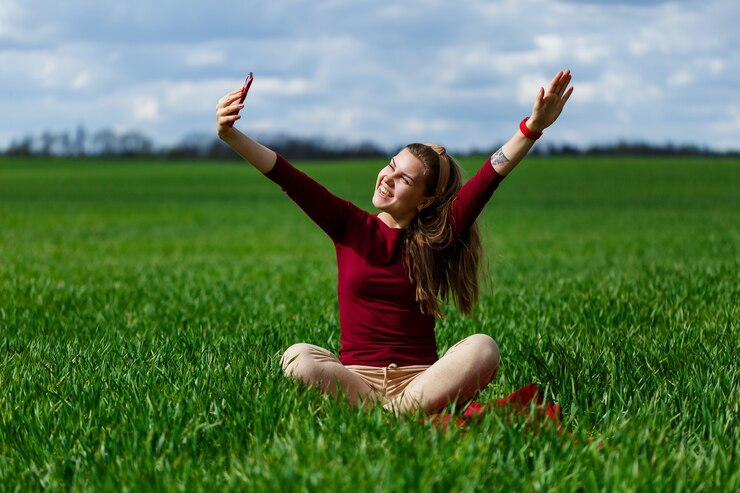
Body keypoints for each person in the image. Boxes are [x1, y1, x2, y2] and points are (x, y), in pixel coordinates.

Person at [215, 70, 573, 415]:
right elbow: (286, 175)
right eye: (390, 165)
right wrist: (230, 135)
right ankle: (396, 414)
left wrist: (532, 128)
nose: (387, 178)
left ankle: (386, 414)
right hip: (355, 380)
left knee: (483, 348)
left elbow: (490, 175)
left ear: (425, 200)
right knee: (297, 357)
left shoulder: (439, 235)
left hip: (423, 381)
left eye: (403, 179)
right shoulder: (348, 225)